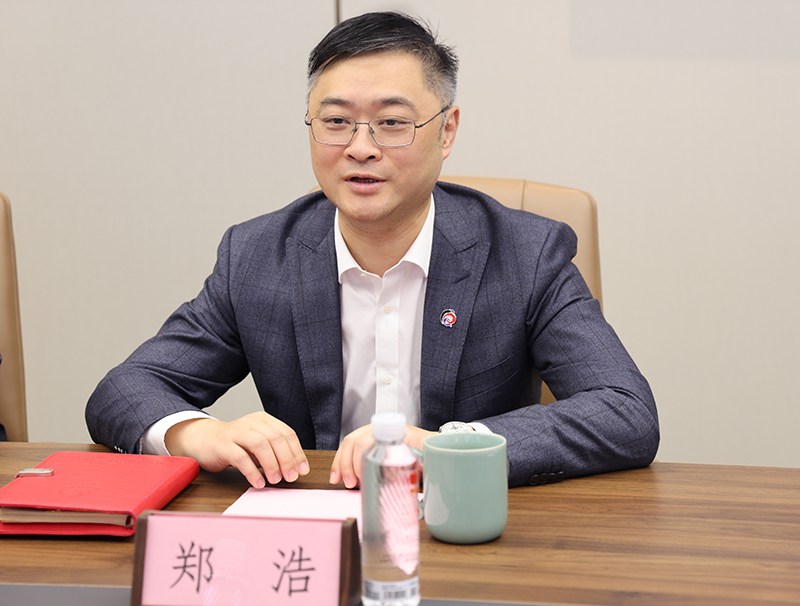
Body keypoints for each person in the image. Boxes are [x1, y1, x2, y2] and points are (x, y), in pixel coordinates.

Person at [86, 11, 658, 489]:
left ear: (447, 130)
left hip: (464, 530)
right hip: (314, 532)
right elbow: (123, 390)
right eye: (336, 121)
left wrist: (447, 448)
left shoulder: (525, 253)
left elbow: (625, 411)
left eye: (391, 122)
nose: (360, 148)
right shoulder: (258, 256)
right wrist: (200, 434)